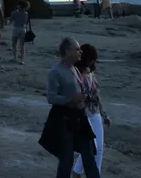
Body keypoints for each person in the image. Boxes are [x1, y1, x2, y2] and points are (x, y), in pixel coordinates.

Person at [39, 37, 99, 178]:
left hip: (80, 118)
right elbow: (51, 98)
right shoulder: (55, 72)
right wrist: (71, 99)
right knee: (66, 160)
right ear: (67, 52)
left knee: (89, 155)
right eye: (77, 49)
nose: (81, 51)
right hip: (64, 120)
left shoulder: (75, 69)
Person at [71, 44, 109, 177]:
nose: (93, 61)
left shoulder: (90, 72)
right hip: (83, 114)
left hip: (94, 112)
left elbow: (97, 95)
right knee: (92, 147)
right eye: (92, 58)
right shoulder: (74, 73)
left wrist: (104, 114)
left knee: (98, 148)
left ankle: (77, 172)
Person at [9, 0, 31, 64]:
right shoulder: (26, 13)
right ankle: (22, 60)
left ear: (19, 5)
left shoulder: (14, 12)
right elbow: (25, 22)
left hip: (16, 28)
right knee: (22, 46)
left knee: (14, 44)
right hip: (23, 29)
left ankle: (14, 58)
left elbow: (11, 20)